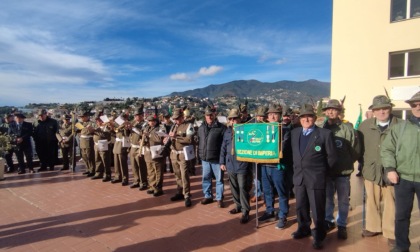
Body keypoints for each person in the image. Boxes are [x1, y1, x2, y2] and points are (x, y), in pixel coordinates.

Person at [291, 104, 338, 250]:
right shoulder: (295, 133)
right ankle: (303, 228)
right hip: (299, 177)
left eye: (309, 116)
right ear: (300, 119)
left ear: (314, 118)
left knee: (317, 209)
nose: (306, 119)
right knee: (300, 206)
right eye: (303, 117)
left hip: (316, 178)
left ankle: (319, 235)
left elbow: (332, 157)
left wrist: (322, 173)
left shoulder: (324, 134)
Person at [359, 95, 401, 247]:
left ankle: (390, 231)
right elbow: (359, 148)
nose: (382, 112)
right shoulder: (365, 125)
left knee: (391, 202)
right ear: (373, 111)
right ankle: (373, 227)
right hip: (371, 170)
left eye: (385, 108)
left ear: (390, 109)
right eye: (378, 109)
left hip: (393, 172)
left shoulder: (400, 125)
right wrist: (363, 166)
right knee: (372, 200)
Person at [381, 91, 420, 252]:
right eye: (414, 104)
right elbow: (387, 149)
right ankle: (402, 246)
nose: (418, 107)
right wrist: (390, 169)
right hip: (403, 178)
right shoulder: (400, 128)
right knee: (402, 216)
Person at [322, 99, 358, 240]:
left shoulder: (347, 129)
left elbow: (354, 150)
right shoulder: (321, 128)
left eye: (334, 109)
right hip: (327, 171)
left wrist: (346, 162)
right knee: (328, 199)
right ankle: (329, 221)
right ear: (325, 111)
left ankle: (342, 224)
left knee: (343, 200)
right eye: (328, 109)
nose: (330, 111)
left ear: (339, 112)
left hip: (342, 172)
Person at [258, 104, 292, 230]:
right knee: (267, 191)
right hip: (264, 166)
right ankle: (270, 211)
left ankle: (283, 215)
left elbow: (283, 147)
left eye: (275, 114)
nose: (272, 116)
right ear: (267, 117)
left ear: (279, 116)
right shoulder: (262, 130)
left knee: (282, 192)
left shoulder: (285, 130)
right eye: (270, 114)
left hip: (278, 166)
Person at [220, 108, 253, 224]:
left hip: (242, 163)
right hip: (230, 163)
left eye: (235, 118)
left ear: (240, 119)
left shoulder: (246, 130)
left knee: (243, 187)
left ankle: (245, 210)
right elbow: (223, 148)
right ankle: (238, 206)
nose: (233, 121)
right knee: (233, 187)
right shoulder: (227, 132)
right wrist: (222, 162)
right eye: (231, 119)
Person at [165, 108, 195, 207]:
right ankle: (179, 192)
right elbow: (171, 137)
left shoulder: (188, 125)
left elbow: (189, 139)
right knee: (177, 175)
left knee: (184, 175)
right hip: (174, 153)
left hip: (183, 154)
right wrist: (167, 139)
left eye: (177, 118)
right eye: (174, 119)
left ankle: (187, 195)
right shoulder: (174, 126)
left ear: (182, 117)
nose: (175, 121)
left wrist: (176, 137)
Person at [197, 105, 226, 208]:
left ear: (215, 115)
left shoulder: (221, 128)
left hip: (216, 159)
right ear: (204, 116)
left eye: (211, 115)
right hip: (205, 159)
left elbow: (224, 145)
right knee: (206, 178)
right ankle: (208, 196)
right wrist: (199, 156)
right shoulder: (201, 127)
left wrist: (223, 160)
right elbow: (199, 142)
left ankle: (219, 198)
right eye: (207, 115)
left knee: (219, 180)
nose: (209, 117)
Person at [143, 115, 164, 197]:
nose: (151, 122)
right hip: (148, 151)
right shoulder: (147, 128)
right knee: (150, 170)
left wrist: (149, 135)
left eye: (152, 121)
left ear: (155, 121)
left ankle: (158, 188)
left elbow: (159, 139)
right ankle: (152, 186)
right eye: (149, 121)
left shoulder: (160, 128)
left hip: (156, 151)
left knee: (157, 170)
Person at [250, 105, 268, 203]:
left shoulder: (269, 126)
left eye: (263, 116)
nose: (261, 118)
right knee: (256, 177)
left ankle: (266, 196)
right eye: (259, 116)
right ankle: (257, 194)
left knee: (265, 177)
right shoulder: (251, 126)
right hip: (254, 156)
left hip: (266, 156)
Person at [129, 106, 148, 190]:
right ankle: (136, 180)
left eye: (138, 115)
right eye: (135, 115)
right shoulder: (133, 123)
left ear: (142, 115)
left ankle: (143, 182)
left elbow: (143, 133)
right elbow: (126, 134)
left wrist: (133, 128)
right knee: (134, 165)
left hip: (140, 147)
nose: (136, 117)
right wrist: (127, 128)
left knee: (141, 165)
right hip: (133, 146)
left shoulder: (145, 123)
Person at [90, 115, 112, 182]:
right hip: (96, 144)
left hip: (103, 144)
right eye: (97, 121)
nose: (97, 122)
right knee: (97, 159)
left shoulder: (107, 127)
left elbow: (105, 135)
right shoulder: (97, 127)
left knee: (105, 160)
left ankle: (107, 174)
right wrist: (91, 130)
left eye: (99, 120)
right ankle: (98, 173)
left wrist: (95, 131)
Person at [112, 114, 131, 186]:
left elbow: (126, 135)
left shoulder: (126, 124)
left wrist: (125, 128)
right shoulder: (117, 125)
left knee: (122, 162)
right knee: (116, 162)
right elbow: (113, 133)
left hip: (122, 143)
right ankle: (117, 176)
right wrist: (112, 127)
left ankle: (125, 178)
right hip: (117, 143)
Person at [77, 111, 95, 176]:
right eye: (81, 117)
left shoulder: (91, 123)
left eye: (83, 117)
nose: (82, 118)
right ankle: (87, 169)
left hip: (88, 141)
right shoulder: (80, 124)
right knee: (84, 157)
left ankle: (92, 170)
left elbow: (93, 132)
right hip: (82, 141)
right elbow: (77, 131)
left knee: (90, 156)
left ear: (87, 117)